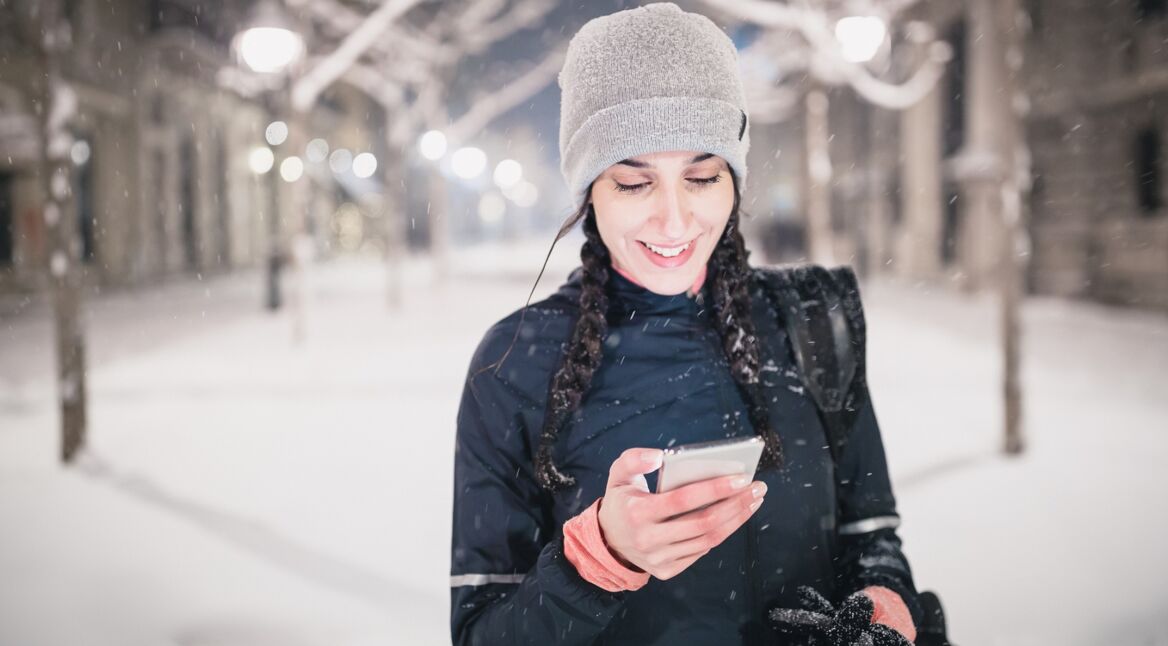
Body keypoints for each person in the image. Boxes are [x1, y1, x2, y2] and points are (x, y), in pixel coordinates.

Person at [450, 4, 921, 644]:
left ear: (733, 180)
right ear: (589, 192)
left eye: (701, 177)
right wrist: (598, 560)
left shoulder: (810, 321)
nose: (674, 221)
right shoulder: (514, 363)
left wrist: (883, 604)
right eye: (633, 183)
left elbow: (873, 539)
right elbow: (481, 632)